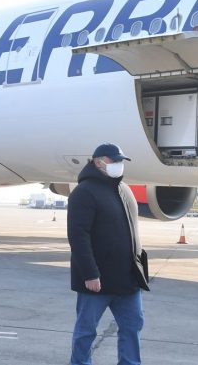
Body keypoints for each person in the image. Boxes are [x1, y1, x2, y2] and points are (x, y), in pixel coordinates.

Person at [67, 143, 149, 365]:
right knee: (86, 330)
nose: (119, 164)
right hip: (97, 280)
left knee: (132, 326)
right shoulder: (84, 192)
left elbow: (132, 232)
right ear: (98, 162)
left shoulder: (125, 190)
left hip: (128, 279)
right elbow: (78, 236)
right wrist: (90, 273)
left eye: (121, 160)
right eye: (114, 160)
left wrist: (139, 268)